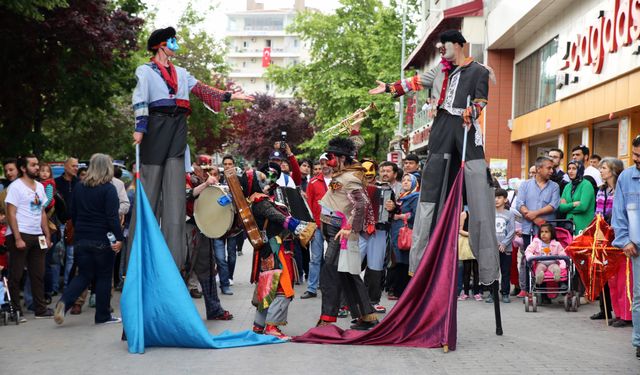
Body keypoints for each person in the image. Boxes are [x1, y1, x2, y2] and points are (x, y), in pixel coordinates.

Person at [369, 29, 500, 288]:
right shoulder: (440, 71)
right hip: (442, 126)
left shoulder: (479, 71)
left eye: (445, 45)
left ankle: (487, 266)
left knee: (476, 187)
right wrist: (389, 88)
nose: (442, 50)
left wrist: (471, 111)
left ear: (459, 45)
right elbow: (414, 82)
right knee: (431, 186)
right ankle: (422, 261)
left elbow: (481, 100)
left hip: (465, 127)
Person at [130, 26, 253, 269]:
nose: (176, 44)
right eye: (172, 40)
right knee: (151, 188)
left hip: (177, 128)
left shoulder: (182, 73)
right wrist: (140, 127)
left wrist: (232, 97)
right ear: (160, 45)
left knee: (175, 197)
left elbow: (204, 90)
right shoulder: (145, 71)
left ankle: (171, 262)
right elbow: (140, 98)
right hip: (156, 126)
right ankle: (139, 257)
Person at [239, 163, 315, 340]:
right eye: (262, 179)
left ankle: (259, 325)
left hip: (268, 247)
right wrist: (300, 227)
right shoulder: (260, 201)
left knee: (267, 286)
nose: (267, 181)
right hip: (276, 247)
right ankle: (272, 327)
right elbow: (277, 217)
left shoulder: (254, 200)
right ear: (255, 184)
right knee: (283, 287)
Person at [315, 137, 379, 330]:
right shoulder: (342, 176)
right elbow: (337, 196)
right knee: (347, 273)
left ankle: (327, 319)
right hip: (334, 229)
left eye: (331, 158)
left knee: (330, 273)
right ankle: (367, 316)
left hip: (340, 232)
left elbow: (361, 204)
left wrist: (350, 227)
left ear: (342, 158)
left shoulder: (350, 178)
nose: (328, 162)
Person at [53, 154, 123, 325]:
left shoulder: (79, 187)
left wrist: (80, 232)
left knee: (84, 275)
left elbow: (74, 214)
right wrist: (119, 238)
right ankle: (102, 316)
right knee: (104, 277)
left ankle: (64, 301)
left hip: (81, 238)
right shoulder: (108, 189)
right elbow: (112, 217)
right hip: (102, 239)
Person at [5, 155, 53, 319]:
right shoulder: (15, 187)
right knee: (16, 274)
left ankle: (40, 309)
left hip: (37, 234)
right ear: (24, 169)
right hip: (21, 234)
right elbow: (10, 213)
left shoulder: (39, 186)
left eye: (37, 164)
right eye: (33, 165)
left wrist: (46, 235)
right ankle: (15, 310)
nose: (37, 167)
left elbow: (42, 212)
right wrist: (17, 238)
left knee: (38, 274)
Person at [184, 162, 233, 321]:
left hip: (200, 227)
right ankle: (179, 312)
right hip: (187, 229)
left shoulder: (190, 175)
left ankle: (214, 309)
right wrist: (205, 184)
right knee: (184, 269)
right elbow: (186, 194)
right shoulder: (176, 176)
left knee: (207, 269)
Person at [611, 135, 640, 359]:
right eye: (634, 155)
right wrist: (624, 240)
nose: (636, 159)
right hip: (637, 247)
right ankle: (639, 341)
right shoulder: (626, 177)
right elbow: (618, 213)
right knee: (639, 296)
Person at [591, 157, 629, 326]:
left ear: (614, 170)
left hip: (619, 236)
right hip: (604, 238)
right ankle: (617, 312)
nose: (601, 171)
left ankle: (626, 315)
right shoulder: (601, 190)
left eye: (604, 167)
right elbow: (597, 214)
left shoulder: (621, 190)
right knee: (611, 278)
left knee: (623, 279)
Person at [516, 156, 560, 297]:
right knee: (528, 258)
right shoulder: (525, 185)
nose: (551, 171)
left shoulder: (554, 186)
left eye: (552, 168)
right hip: (528, 229)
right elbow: (519, 203)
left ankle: (545, 293)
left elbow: (553, 205)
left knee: (548, 257)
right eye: (548, 168)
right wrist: (532, 217)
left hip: (547, 231)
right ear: (539, 169)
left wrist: (534, 214)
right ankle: (527, 289)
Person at [360, 159, 393, 313]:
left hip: (379, 231)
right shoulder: (352, 187)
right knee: (350, 265)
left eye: (370, 174)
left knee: (376, 267)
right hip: (357, 231)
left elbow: (394, 209)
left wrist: (393, 208)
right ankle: (344, 302)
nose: (368, 176)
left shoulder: (385, 189)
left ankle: (373, 300)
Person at [301, 154, 332, 299]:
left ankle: (332, 286)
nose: (324, 165)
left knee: (333, 258)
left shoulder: (339, 180)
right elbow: (308, 206)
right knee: (315, 258)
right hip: (318, 226)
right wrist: (312, 225)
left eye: (327, 162)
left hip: (335, 226)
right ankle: (312, 288)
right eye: (322, 163)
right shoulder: (313, 182)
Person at [389, 173, 419, 298]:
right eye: (404, 180)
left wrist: (400, 216)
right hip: (397, 233)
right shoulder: (401, 197)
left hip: (407, 233)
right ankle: (398, 290)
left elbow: (416, 215)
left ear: (414, 183)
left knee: (405, 262)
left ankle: (403, 292)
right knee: (398, 261)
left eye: (409, 180)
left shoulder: (415, 196)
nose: (405, 182)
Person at [486, 188, 515, 304]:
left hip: (506, 248)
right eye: (494, 197)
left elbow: (512, 231)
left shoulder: (510, 214)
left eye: (499, 197)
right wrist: (495, 242)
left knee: (505, 271)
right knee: (493, 271)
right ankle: (492, 293)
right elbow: (487, 229)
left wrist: (503, 243)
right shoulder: (489, 213)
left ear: (505, 199)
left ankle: (505, 293)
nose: (496, 200)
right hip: (492, 248)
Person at [54, 157, 79, 289]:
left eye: (77, 166)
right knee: (57, 256)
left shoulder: (80, 183)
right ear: (65, 167)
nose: (76, 168)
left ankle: (67, 286)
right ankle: (53, 287)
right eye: (73, 166)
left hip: (73, 224)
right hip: (58, 223)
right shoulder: (56, 183)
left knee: (71, 256)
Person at [557, 161, 595, 235]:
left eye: (574, 168)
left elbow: (583, 207)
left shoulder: (586, 185)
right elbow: (561, 208)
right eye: (569, 168)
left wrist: (567, 207)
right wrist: (573, 204)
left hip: (583, 226)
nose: (570, 171)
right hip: (569, 227)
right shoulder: (567, 186)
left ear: (580, 170)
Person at [458, 210, 481, 301]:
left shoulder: (479, 213)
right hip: (466, 243)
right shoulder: (464, 214)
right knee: (466, 269)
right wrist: (471, 234)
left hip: (477, 243)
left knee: (476, 270)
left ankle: (476, 292)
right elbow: (460, 230)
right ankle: (466, 292)